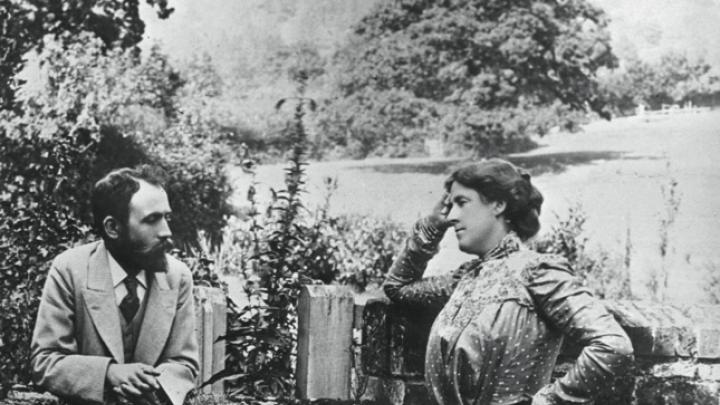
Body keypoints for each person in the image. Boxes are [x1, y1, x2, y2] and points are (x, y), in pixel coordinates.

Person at [383, 158, 634, 405]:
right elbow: (398, 287)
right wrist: (432, 225)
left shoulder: (538, 271)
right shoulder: (466, 278)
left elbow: (612, 345)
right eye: (450, 206)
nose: (452, 216)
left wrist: (549, 401)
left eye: (462, 202)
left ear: (498, 205)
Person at [30, 166, 199, 405]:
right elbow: (46, 361)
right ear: (112, 228)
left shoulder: (177, 277)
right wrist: (109, 374)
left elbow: (184, 363)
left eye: (166, 218)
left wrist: (154, 384)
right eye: (151, 220)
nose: (166, 232)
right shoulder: (70, 270)